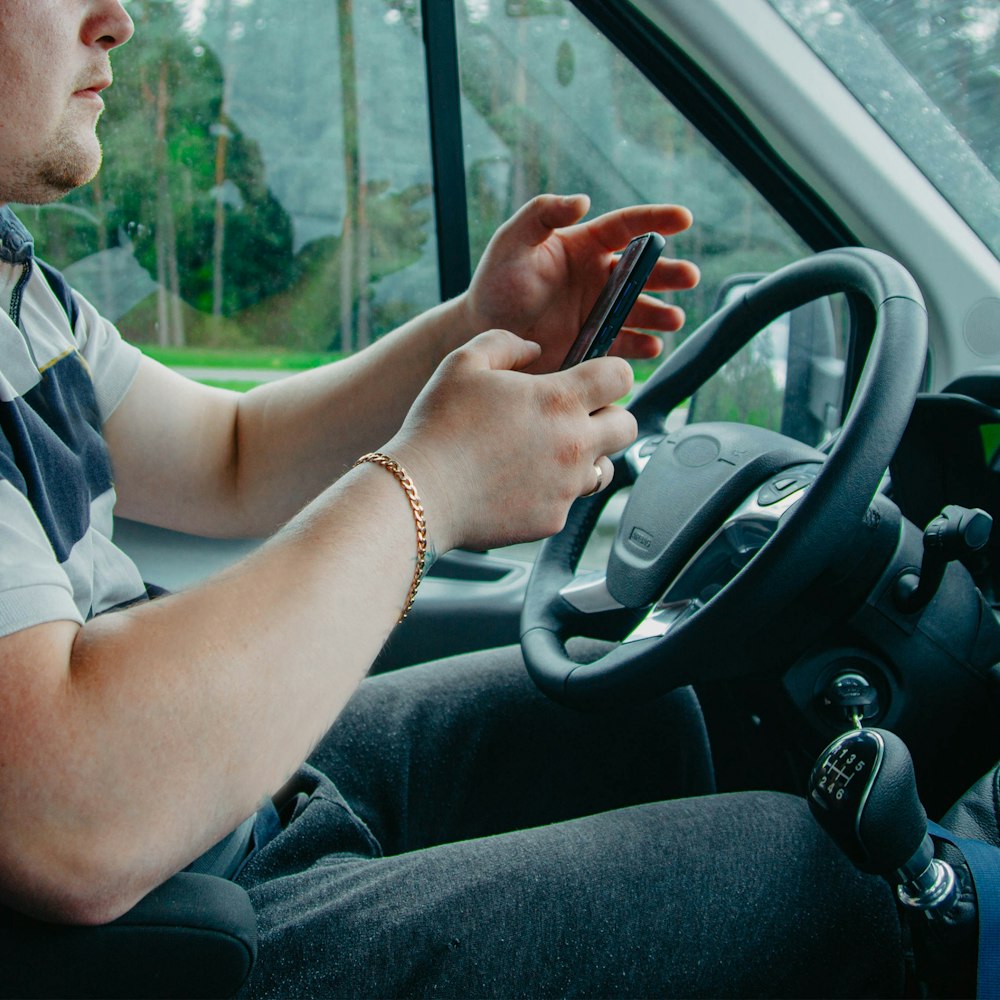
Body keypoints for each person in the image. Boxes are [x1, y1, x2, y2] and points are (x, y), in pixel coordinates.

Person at [0, 1, 905, 996]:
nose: (117, 18)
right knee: (798, 882)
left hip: (200, 819)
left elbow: (233, 452)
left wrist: (473, 329)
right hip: (140, 940)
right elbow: (69, 813)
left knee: (633, 717)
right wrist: (435, 480)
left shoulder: (15, 288)